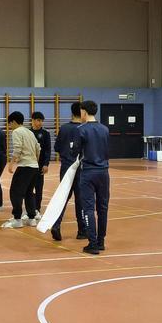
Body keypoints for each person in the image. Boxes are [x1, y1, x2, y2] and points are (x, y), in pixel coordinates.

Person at [72, 100, 110, 255]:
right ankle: (101, 241)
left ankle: (92, 243)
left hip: (88, 172)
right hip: (104, 172)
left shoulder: (81, 129)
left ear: (84, 112)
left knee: (88, 208)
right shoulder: (105, 129)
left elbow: (75, 151)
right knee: (102, 208)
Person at [51, 101, 87, 242]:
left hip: (66, 166)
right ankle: (82, 230)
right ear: (83, 112)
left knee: (63, 197)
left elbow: (57, 148)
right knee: (81, 199)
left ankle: (56, 224)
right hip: (81, 167)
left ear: (72, 112)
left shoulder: (64, 128)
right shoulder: (85, 128)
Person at [3, 111, 42, 229]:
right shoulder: (30, 132)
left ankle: (17, 219)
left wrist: (11, 164)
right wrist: (35, 161)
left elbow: (17, 148)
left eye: (10, 124)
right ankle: (31, 218)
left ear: (13, 122)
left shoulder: (17, 132)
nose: (10, 127)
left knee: (15, 192)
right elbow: (38, 149)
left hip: (25, 167)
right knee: (29, 193)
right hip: (34, 167)